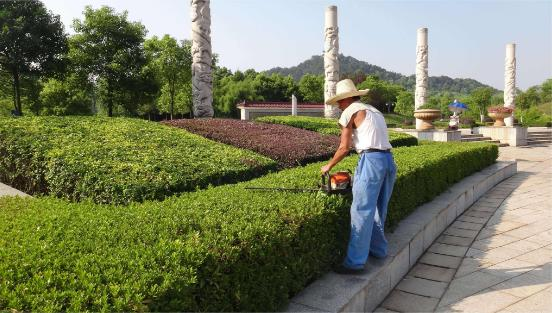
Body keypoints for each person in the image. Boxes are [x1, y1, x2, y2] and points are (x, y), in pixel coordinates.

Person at [321, 79, 397, 275]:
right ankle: (378, 251)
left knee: (361, 211)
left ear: (346, 99)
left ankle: (354, 263)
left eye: (339, 101)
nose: (338, 105)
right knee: (379, 209)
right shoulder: (374, 110)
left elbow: (344, 147)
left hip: (371, 160)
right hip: (388, 160)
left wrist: (328, 165)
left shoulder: (350, 111)